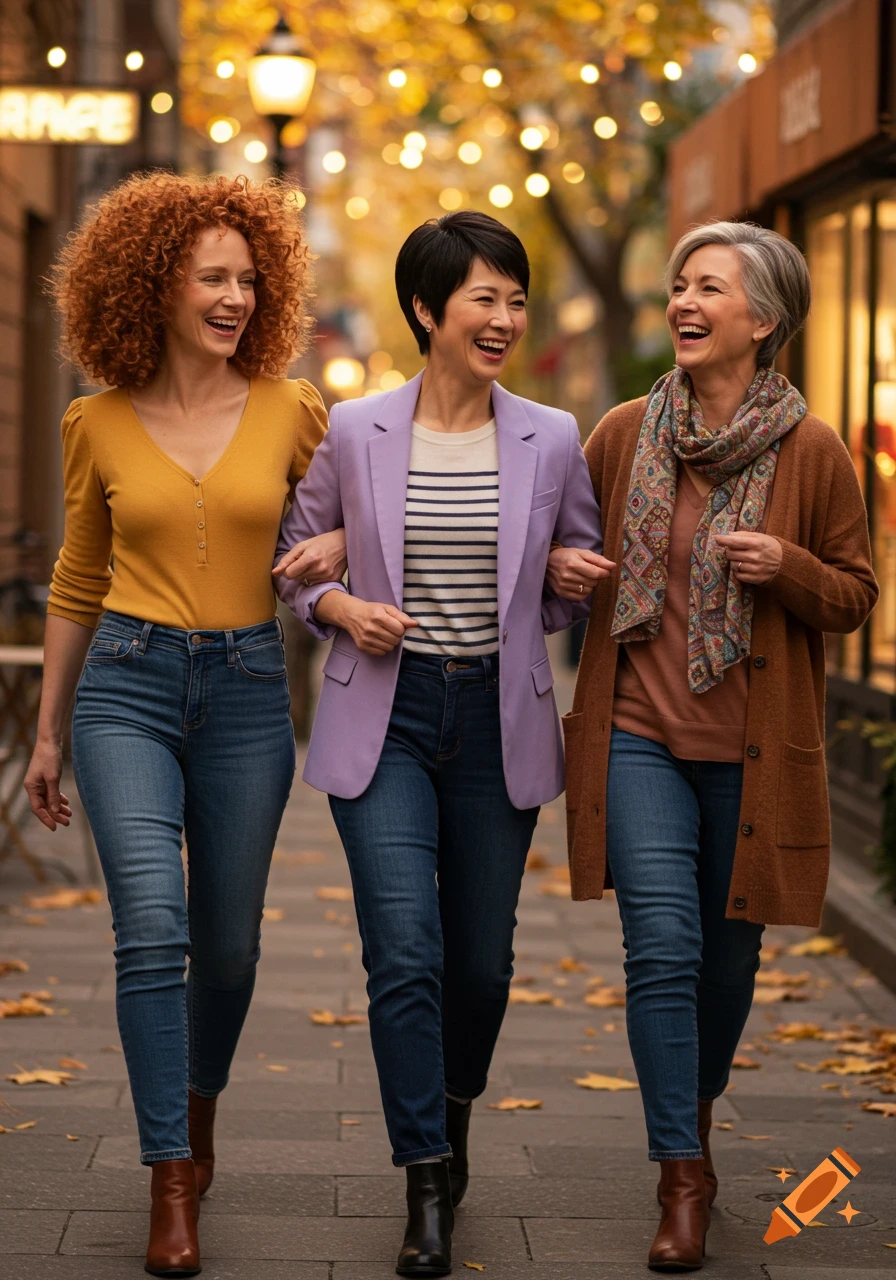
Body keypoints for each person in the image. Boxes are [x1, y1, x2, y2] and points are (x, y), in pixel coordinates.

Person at [274, 211, 610, 1277]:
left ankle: (451, 1113)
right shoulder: (356, 429)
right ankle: (425, 1176)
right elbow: (294, 565)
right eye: (484, 297)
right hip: (387, 714)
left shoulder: (551, 433)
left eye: (513, 298)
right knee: (404, 953)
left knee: (481, 961)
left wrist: (567, 581)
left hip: (493, 722)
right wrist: (340, 608)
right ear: (428, 310)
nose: (504, 316)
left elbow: (574, 567)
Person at [24, 172, 346, 1278]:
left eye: (248, 278)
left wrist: (342, 548)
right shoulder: (94, 420)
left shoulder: (295, 409)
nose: (234, 297)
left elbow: (358, 510)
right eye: (211, 276)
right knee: (150, 926)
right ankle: (170, 1174)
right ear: (151, 284)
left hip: (251, 689)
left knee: (230, 940)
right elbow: (76, 574)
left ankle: (196, 1106)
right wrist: (50, 731)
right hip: (125, 681)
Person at [556, 221, 878, 1271]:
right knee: (661, 947)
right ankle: (680, 1171)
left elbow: (851, 595)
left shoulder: (813, 450)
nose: (682, 303)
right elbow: (561, 554)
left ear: (763, 319)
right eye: (677, 286)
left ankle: (689, 1107)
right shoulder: (617, 433)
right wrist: (562, 569)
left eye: (707, 288)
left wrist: (784, 562)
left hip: (750, 751)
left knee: (726, 963)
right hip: (639, 733)